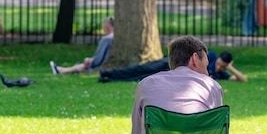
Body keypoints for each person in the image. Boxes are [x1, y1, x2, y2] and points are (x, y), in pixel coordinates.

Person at [100, 49, 247, 83]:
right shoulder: (211, 55)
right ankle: (111, 73)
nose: (219, 67)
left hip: (175, 74)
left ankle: (110, 80)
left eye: (223, 66)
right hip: (172, 64)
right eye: (220, 64)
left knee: (143, 77)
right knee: (143, 68)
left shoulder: (222, 74)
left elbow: (243, 80)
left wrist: (230, 68)